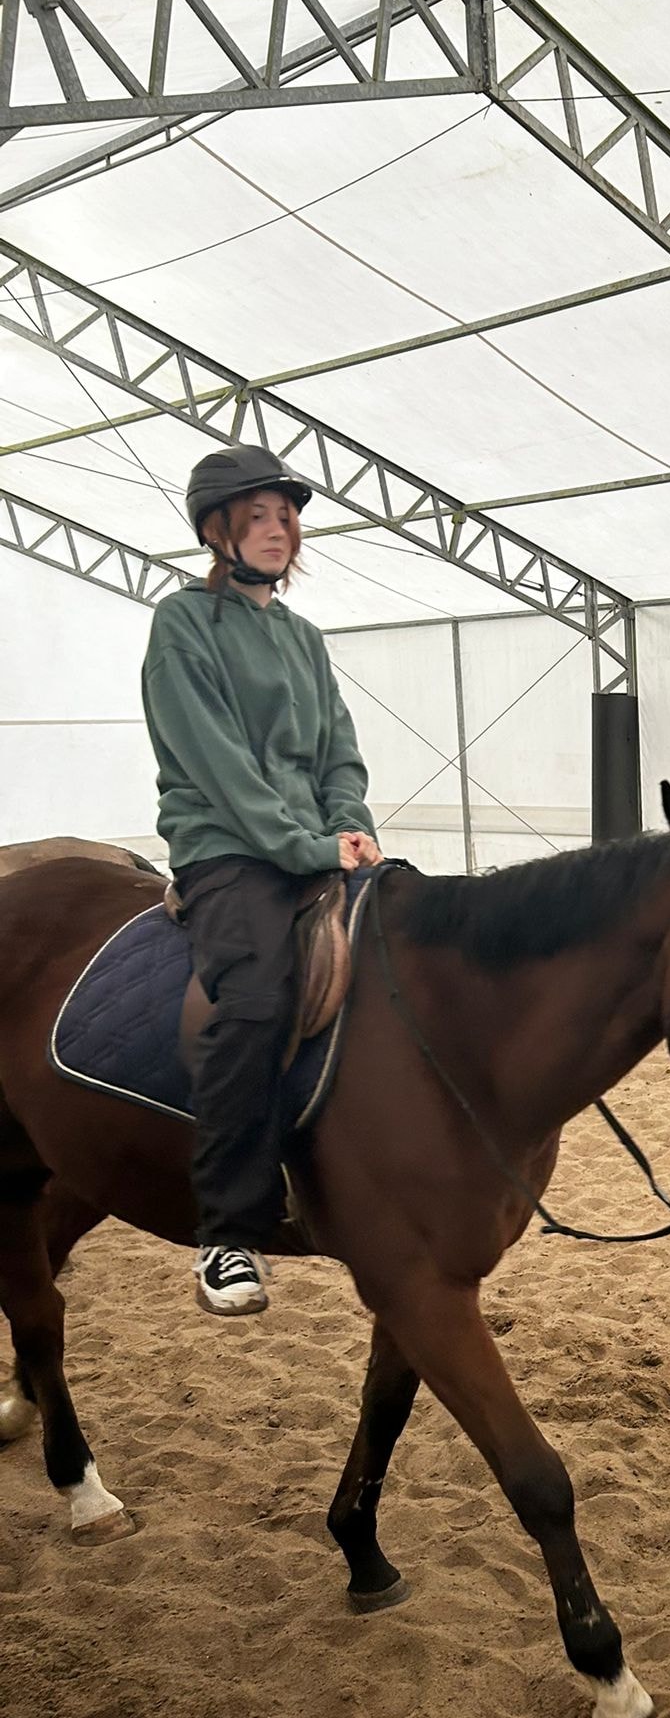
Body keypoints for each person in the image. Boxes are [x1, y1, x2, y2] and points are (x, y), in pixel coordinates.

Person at [140, 446, 382, 1316]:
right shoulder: (182, 623)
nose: (277, 529)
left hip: (317, 842)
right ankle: (229, 1234)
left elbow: (339, 755)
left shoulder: (304, 638)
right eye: (257, 515)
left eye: (285, 515)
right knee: (252, 999)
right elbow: (219, 766)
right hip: (227, 848)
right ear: (218, 529)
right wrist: (307, 846)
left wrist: (349, 825)